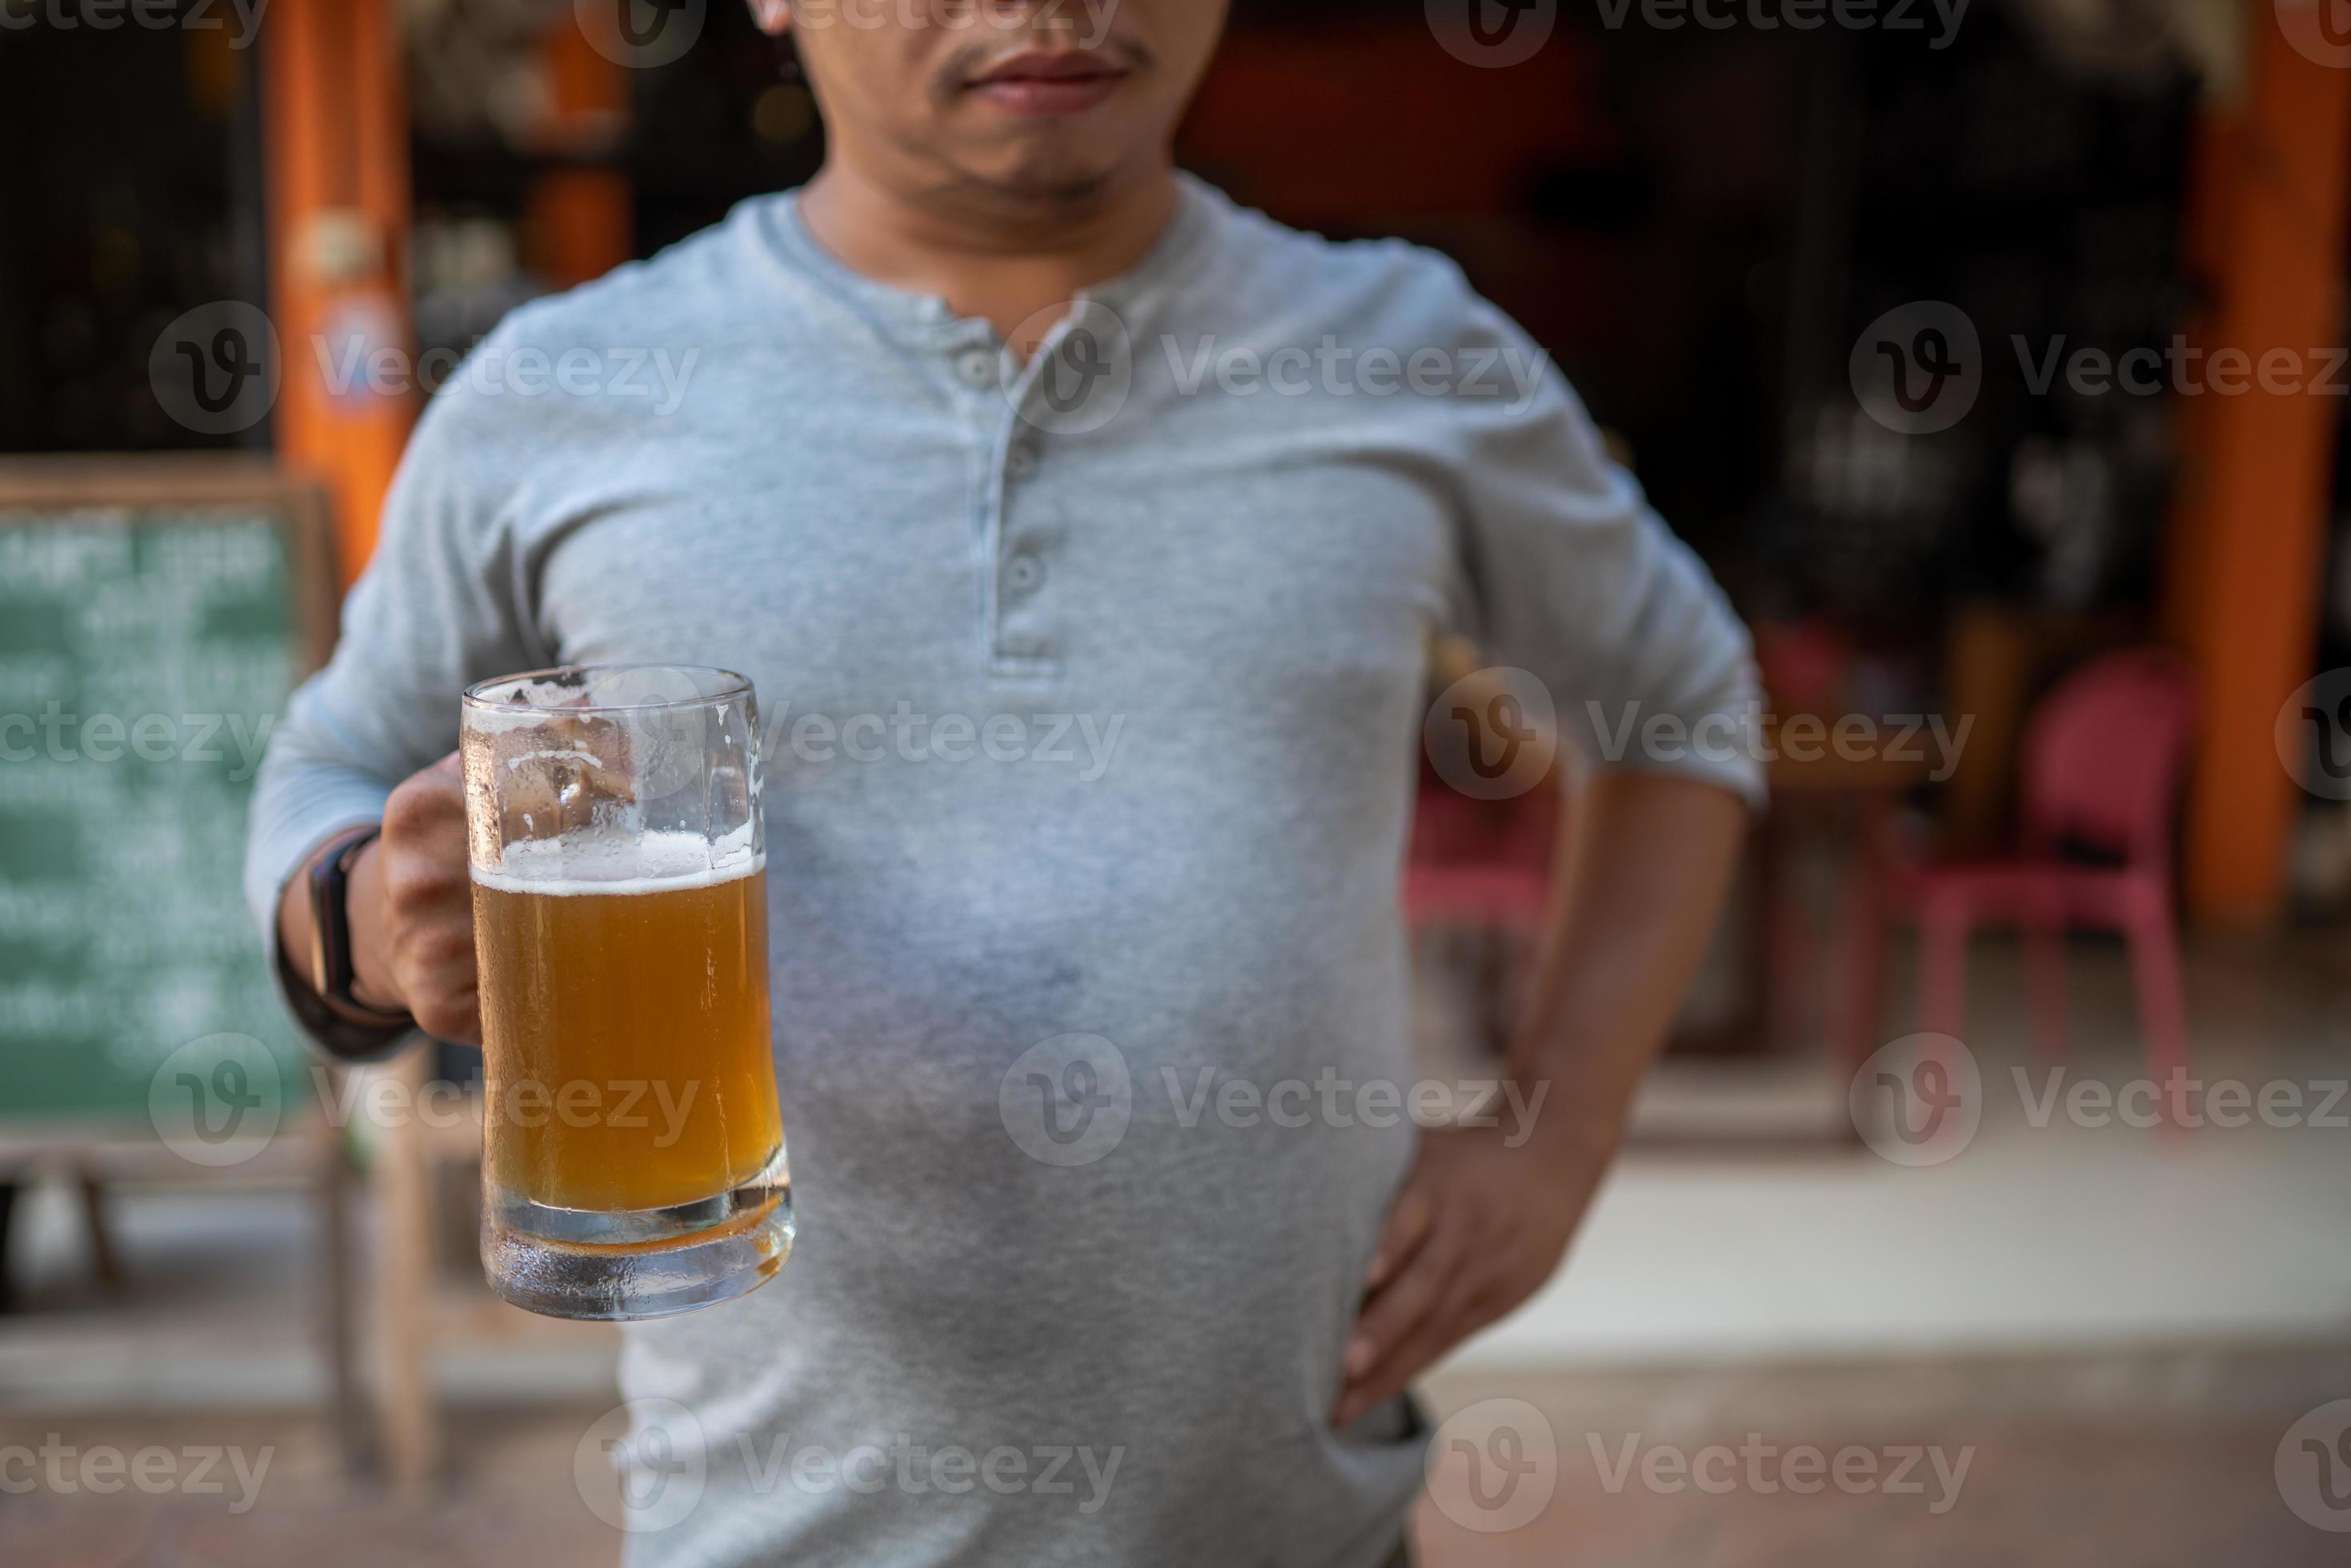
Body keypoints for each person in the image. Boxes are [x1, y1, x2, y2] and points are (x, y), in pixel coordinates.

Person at [246, 1, 1762, 1562]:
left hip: (1299, 1526)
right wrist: (362, 921)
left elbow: (1679, 699)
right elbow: (327, 764)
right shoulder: (566, 387)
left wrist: (1558, 1138)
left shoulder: (1405, 354)